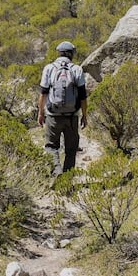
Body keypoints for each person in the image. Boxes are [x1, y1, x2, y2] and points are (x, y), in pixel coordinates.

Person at [38, 41, 88, 176]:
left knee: (51, 147)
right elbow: (83, 96)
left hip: (53, 115)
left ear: (59, 53)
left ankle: (56, 170)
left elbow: (43, 93)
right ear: (71, 54)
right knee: (71, 149)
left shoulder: (49, 68)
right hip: (72, 116)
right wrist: (84, 115)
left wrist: (40, 113)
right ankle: (67, 178)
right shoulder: (77, 69)